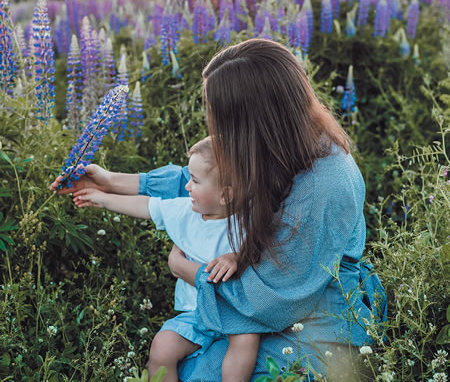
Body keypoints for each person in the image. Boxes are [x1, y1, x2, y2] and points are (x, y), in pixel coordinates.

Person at [51, 38, 386, 380]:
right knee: (175, 360)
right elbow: (207, 179)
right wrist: (109, 181)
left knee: (198, 372)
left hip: (314, 321)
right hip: (264, 301)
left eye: (220, 115)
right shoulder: (284, 143)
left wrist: (189, 271)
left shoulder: (323, 183)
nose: (216, 124)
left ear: (255, 116)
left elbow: (272, 300)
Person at [67, 136, 260, 382]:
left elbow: (264, 246)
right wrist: (101, 198)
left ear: (225, 195)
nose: (187, 186)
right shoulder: (185, 211)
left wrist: (236, 256)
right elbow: (147, 206)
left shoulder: (249, 219)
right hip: (196, 314)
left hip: (235, 311)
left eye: (195, 180)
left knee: (246, 340)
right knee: (162, 346)